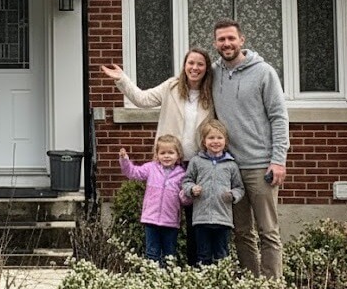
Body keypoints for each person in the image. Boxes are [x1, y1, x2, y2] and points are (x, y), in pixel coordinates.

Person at [102, 49, 215, 265]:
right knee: (162, 217)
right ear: (184, 65)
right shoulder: (171, 87)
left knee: (196, 220)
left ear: (206, 68)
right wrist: (122, 79)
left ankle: (195, 268)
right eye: (191, 63)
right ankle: (162, 269)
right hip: (170, 162)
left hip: (198, 164)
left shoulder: (211, 93)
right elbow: (142, 99)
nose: (195, 68)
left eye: (200, 64)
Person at [211, 19, 289, 289]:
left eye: (231, 38)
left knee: (268, 231)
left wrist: (278, 159)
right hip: (230, 166)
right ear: (216, 43)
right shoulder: (215, 73)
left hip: (261, 166)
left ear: (242, 40)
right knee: (242, 233)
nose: (226, 44)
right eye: (221, 40)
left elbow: (279, 118)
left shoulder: (264, 73)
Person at [181, 119, 244, 265]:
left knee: (221, 255)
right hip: (201, 218)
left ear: (225, 141)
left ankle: (220, 283)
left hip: (222, 219)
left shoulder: (231, 164)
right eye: (211, 138)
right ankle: (204, 283)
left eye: (219, 138)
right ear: (203, 141)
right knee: (203, 255)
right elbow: (186, 181)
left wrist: (233, 195)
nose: (215, 141)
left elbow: (239, 188)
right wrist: (191, 189)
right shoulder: (196, 161)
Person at [118, 134, 188, 265]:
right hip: (151, 219)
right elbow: (133, 173)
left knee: (169, 254)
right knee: (152, 253)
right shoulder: (151, 168)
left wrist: (187, 194)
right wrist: (125, 160)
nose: (166, 156)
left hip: (170, 221)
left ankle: (168, 280)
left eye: (171, 153)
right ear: (157, 155)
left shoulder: (181, 175)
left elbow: (185, 201)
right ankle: (152, 279)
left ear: (178, 155)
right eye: (163, 153)